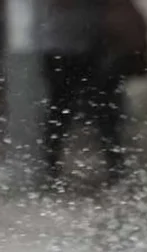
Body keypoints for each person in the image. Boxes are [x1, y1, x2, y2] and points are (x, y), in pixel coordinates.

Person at [39, 0, 127, 189]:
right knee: (60, 111)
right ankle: (51, 168)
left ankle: (116, 168)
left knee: (106, 112)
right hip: (61, 49)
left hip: (96, 48)